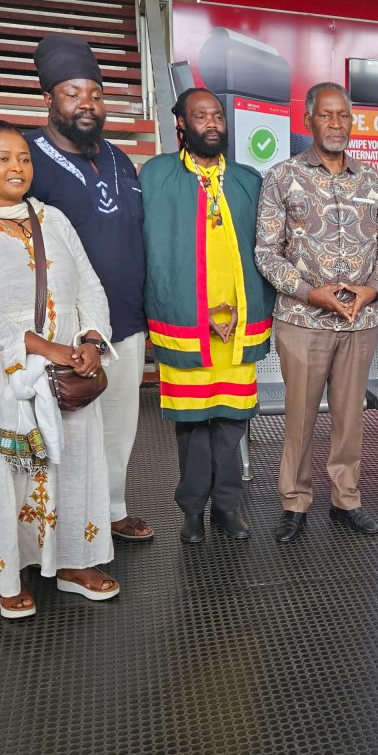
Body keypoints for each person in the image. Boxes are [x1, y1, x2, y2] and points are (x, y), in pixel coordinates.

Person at [0, 120, 120, 617]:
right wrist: (41, 347)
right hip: (1, 370)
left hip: (66, 369)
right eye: (2, 158)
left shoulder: (52, 218)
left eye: (23, 157)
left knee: (72, 461)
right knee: (9, 468)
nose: (17, 167)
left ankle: (75, 560)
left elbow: (90, 285)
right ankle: (4, 574)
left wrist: (92, 340)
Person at [25, 34, 152, 541]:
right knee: (65, 430)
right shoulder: (26, 158)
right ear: (48, 98)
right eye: (73, 93)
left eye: (96, 95)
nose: (87, 104)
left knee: (120, 426)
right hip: (63, 328)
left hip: (125, 320)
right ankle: (59, 531)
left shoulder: (119, 159)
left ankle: (112, 510)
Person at [256, 82, 378, 541]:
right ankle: (295, 502)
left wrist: (371, 290)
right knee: (299, 416)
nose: (337, 124)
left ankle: (346, 499)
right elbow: (266, 253)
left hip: (360, 321)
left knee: (350, 416)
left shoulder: (371, 179)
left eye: (344, 115)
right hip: (303, 320)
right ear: (308, 120)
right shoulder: (282, 176)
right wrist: (311, 293)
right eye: (327, 115)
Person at [142, 88, 274, 543]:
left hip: (237, 322)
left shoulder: (247, 180)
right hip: (186, 321)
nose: (212, 123)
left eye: (217, 115)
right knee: (193, 423)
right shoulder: (157, 175)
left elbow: (262, 252)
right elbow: (154, 252)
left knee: (232, 420)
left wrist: (241, 308)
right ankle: (193, 510)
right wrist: (198, 314)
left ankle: (228, 506)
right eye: (201, 116)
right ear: (181, 123)